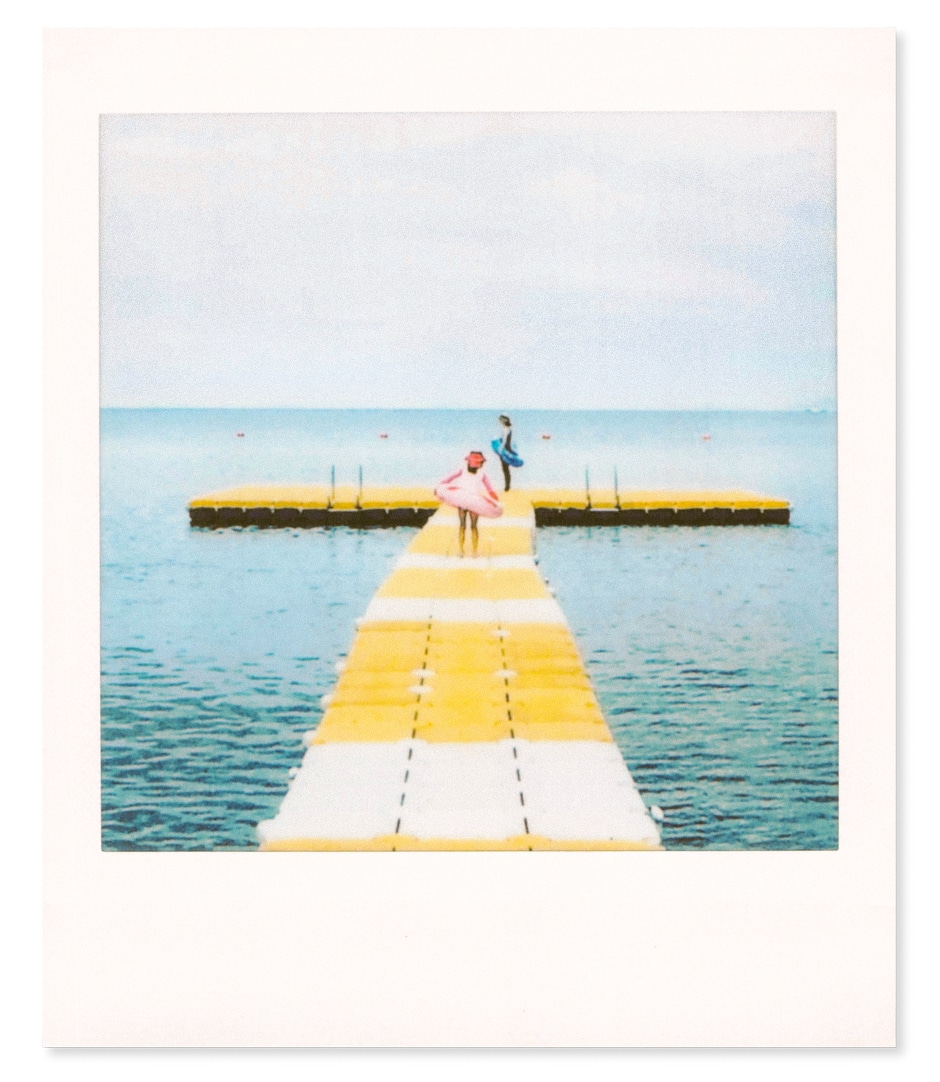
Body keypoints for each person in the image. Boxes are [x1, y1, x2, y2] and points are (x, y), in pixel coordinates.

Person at [434, 450, 502, 556]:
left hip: (463, 499)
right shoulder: (481, 474)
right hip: (473, 501)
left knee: (463, 526)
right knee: (472, 527)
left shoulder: (463, 470)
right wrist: (497, 502)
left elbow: (447, 479)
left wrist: (439, 488)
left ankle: (462, 551)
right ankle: (472, 551)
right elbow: (490, 490)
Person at [496, 414, 515, 491]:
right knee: (506, 469)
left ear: (505, 420)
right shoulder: (508, 428)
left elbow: (504, 441)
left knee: (505, 468)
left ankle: (507, 486)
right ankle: (507, 485)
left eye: (501, 420)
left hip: (505, 449)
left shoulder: (506, 429)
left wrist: (500, 450)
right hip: (508, 448)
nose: (500, 421)